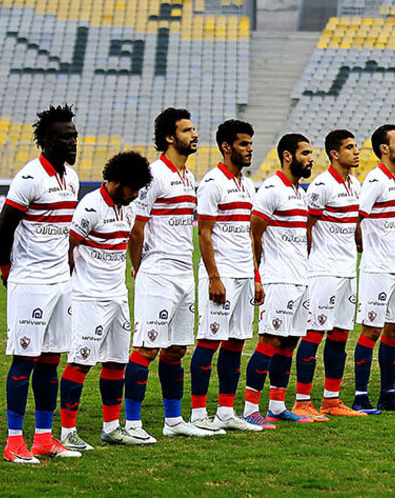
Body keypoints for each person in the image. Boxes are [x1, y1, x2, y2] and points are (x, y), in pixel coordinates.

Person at [0, 104, 81, 463]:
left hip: (61, 283)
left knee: (50, 361)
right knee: (25, 360)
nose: (74, 142)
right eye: (66, 137)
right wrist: (7, 271)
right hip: (30, 282)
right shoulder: (29, 178)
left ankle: (44, 438)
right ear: (46, 141)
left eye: (75, 136)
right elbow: (4, 230)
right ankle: (14, 442)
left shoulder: (72, 178)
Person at [127, 108, 215, 439]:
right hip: (158, 271)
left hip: (183, 271)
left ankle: (173, 421)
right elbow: (136, 229)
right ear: (169, 137)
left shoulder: (188, 176)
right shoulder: (153, 175)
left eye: (195, 129)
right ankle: (133, 424)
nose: (195, 135)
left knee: (177, 349)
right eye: (188, 130)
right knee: (147, 348)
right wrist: (140, 266)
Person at [59, 151, 153, 451]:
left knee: (116, 362)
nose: (136, 193)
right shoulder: (90, 207)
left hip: (118, 297)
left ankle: (111, 428)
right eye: (132, 187)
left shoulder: (129, 206)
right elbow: (68, 248)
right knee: (81, 362)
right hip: (89, 297)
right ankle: (67, 432)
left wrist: (136, 267)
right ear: (116, 181)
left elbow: (132, 240)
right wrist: (71, 286)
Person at [190, 119, 265, 432]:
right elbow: (204, 234)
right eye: (243, 144)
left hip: (245, 275)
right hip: (222, 275)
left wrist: (256, 275)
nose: (249, 149)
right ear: (226, 147)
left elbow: (249, 235)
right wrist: (213, 277)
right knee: (209, 342)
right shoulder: (211, 183)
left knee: (235, 343)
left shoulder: (247, 185)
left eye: (250, 144)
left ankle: (224, 411)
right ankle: (196, 414)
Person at [294, 129, 365, 420]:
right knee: (313, 335)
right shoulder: (321, 186)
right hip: (323, 271)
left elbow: (354, 224)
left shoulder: (355, 184)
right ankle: (301, 400)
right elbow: (306, 228)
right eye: (350, 147)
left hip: (348, 271)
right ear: (334, 154)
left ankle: (332, 400)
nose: (356, 152)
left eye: (356, 147)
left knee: (339, 336)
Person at [245, 133, 316, 425]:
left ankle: (276, 405)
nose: (311, 159)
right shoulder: (271, 189)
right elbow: (253, 234)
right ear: (288, 156)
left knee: (289, 343)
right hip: (277, 279)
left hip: (299, 278)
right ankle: (250, 409)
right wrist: (258, 276)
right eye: (305, 153)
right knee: (270, 340)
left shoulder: (299, 192)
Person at [353, 125, 395, 412]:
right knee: (371, 330)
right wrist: (364, 247)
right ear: (384, 148)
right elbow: (357, 218)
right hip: (378, 269)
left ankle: (388, 395)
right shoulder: (374, 180)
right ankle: (359, 397)